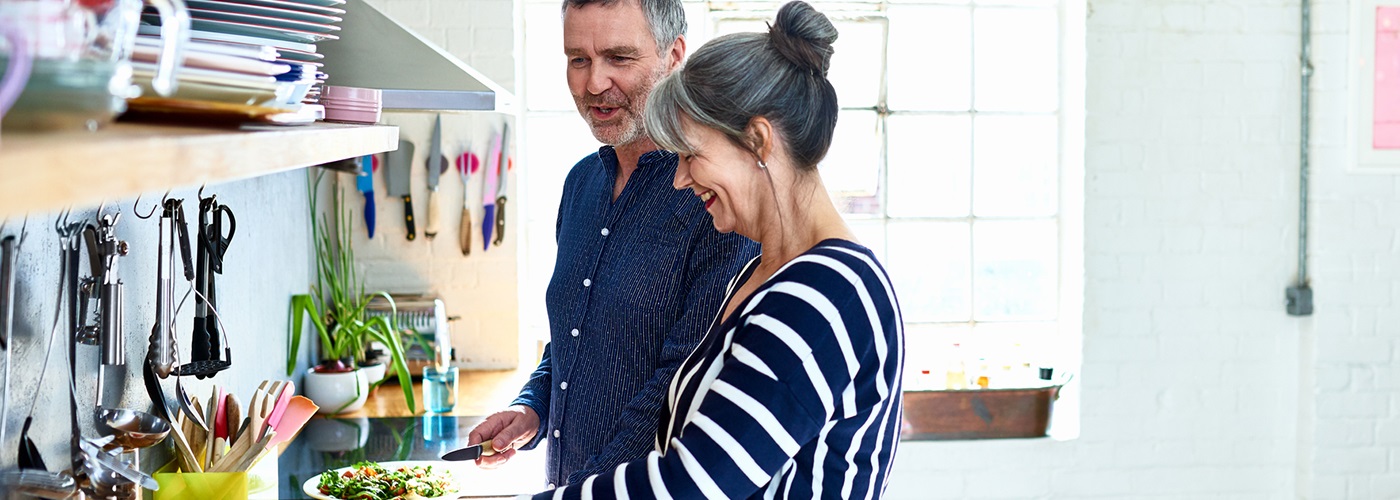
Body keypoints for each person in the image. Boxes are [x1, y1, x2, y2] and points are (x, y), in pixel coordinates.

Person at [522, 2, 905, 498]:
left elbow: (694, 483)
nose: (680, 177)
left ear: (759, 142)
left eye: (692, 154)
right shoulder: (767, 275)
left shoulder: (827, 295)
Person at [467, 0, 760, 488]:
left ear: (674, 56)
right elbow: (575, 336)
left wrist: (582, 491)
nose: (593, 84)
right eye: (577, 59)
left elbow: (676, 388)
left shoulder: (715, 202)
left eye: (619, 58)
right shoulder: (581, 183)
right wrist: (532, 409)